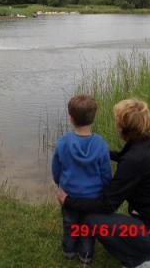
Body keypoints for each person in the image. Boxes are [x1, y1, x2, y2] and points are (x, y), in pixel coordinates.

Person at [56, 99, 150, 268]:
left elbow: (107, 204)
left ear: (123, 128)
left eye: (118, 122)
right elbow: (126, 157)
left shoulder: (134, 161)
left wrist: (68, 201)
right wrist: (99, 152)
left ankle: (144, 260)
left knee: (92, 219)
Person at [52, 94, 112, 264]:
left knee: (70, 224)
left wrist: (59, 183)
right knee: (87, 228)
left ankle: (69, 250)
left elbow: (56, 167)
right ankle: (86, 254)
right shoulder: (100, 143)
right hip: (93, 198)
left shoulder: (63, 142)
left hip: (68, 195)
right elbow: (106, 173)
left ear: (70, 118)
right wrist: (105, 189)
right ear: (93, 118)